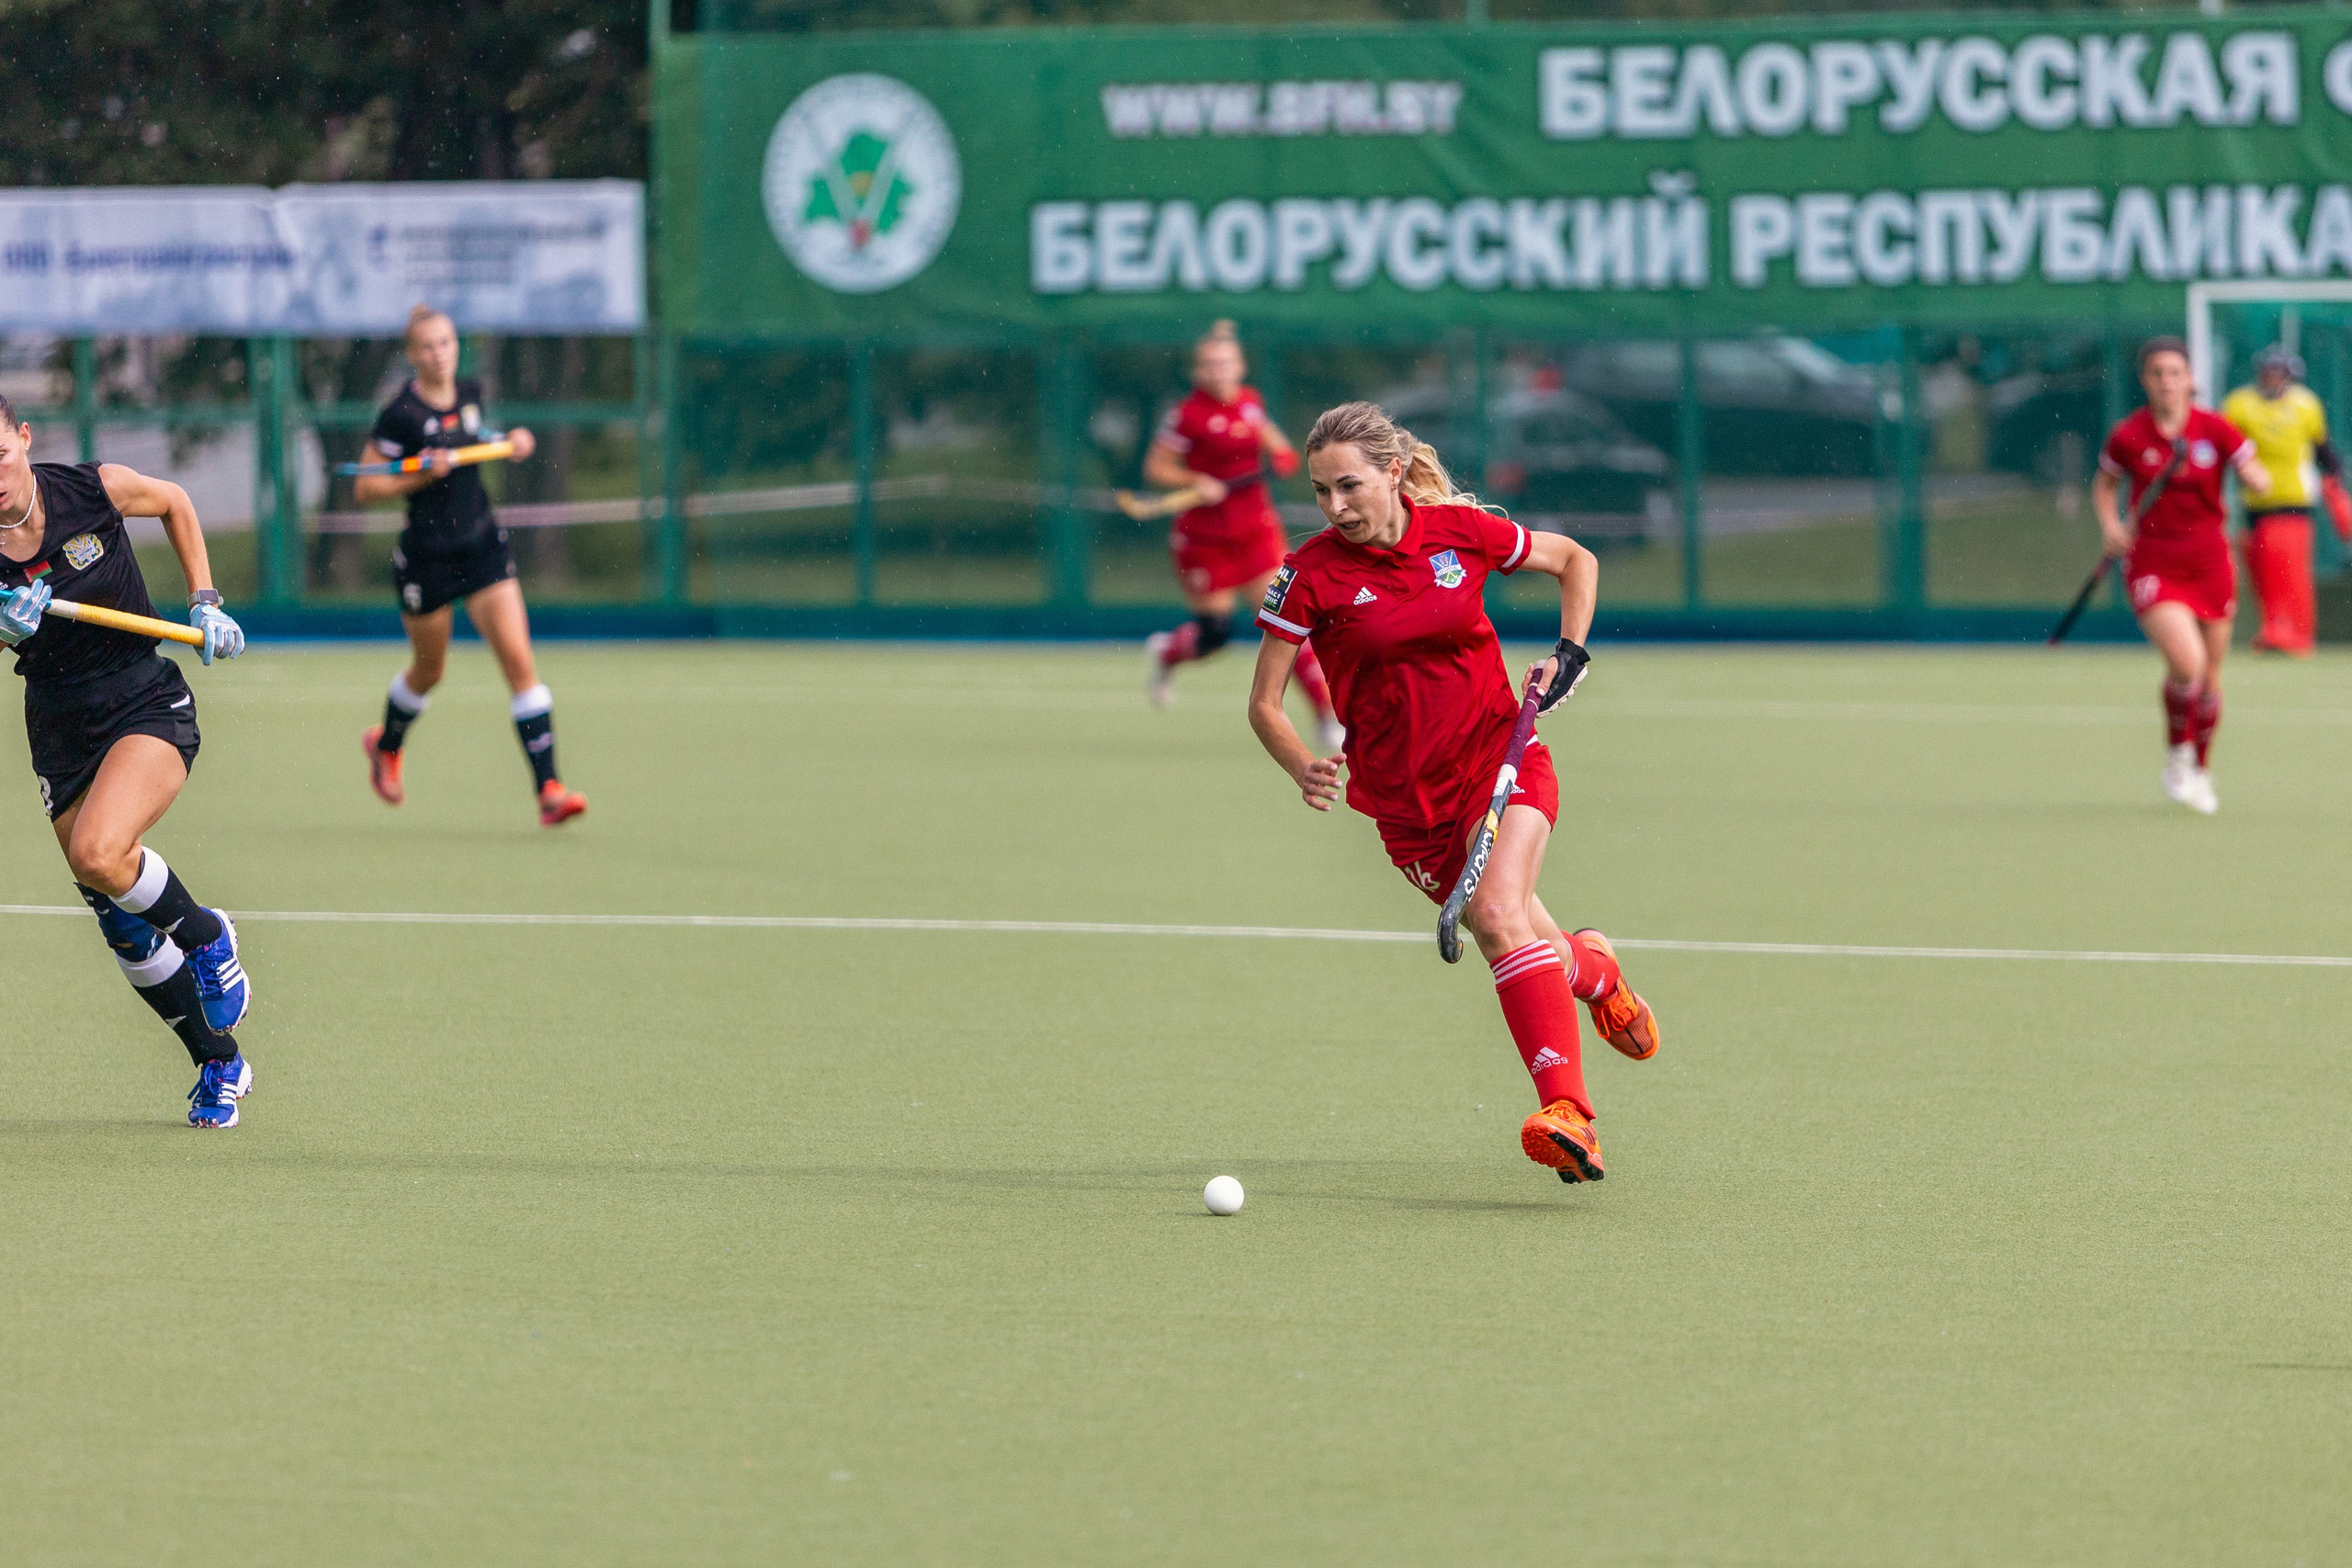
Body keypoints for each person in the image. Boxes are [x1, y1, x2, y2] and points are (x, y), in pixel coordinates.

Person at [1246, 401, 1657, 1184]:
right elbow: (1264, 703)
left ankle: (1569, 1114)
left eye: (1349, 486)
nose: (1335, 506)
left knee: (1497, 914)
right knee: (1530, 938)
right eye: (1322, 491)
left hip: (1499, 761)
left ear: (1393, 472)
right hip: (1407, 810)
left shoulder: (1460, 534)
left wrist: (1569, 654)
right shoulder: (1308, 574)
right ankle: (1597, 974)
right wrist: (1300, 762)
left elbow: (1575, 559)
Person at [0, 394, 254, 1127]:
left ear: (24, 438)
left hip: (142, 698)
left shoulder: (93, 489)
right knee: (119, 919)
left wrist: (204, 600)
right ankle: (218, 1061)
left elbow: (174, 502)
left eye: (0, 456)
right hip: (58, 723)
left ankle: (206, 935)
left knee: (99, 852)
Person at [356, 305, 586, 827]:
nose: (439, 354)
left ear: (457, 347)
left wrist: (510, 443)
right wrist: (422, 474)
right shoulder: (401, 414)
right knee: (429, 672)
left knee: (520, 664)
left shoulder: (470, 394)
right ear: (413, 355)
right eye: (428, 346)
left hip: (482, 548)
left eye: (446, 343)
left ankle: (549, 789)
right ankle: (387, 746)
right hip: (427, 559)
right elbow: (366, 487)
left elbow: (475, 439)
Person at [1143, 321, 1342, 750]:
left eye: (1226, 363)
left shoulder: (1251, 403)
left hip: (1255, 534)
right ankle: (1168, 654)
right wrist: (1197, 481)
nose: (1219, 371)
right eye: (1210, 364)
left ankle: (1327, 717)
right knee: (1215, 633)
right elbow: (1156, 468)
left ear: (1240, 367)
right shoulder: (1186, 416)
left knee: (1287, 619)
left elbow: (1277, 445)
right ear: (1198, 371)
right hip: (1204, 539)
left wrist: (1284, 455)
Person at [2094, 337, 2270, 816]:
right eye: (2157, 373)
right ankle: (2177, 753)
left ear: (2190, 379)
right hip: (2154, 564)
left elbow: (2251, 466)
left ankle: (2202, 771)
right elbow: (2105, 486)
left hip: (2211, 564)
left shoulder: (2215, 429)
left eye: (2175, 373)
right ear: (2144, 380)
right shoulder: (2129, 435)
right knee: (2187, 664)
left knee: (2210, 679)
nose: (2167, 382)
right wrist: (2111, 526)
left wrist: (2257, 478)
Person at [2221, 344, 2351, 657]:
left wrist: (2336, 489)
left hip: (2293, 499)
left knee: (2287, 568)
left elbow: (2323, 451)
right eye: (2269, 371)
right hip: (2254, 501)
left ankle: (2293, 633)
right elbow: (2226, 447)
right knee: (2261, 569)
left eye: (2280, 372)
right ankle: (2274, 627)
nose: (2274, 377)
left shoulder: (2305, 404)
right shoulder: (2239, 404)